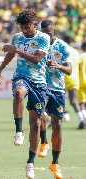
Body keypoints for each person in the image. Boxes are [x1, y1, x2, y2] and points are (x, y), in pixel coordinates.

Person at [0, 9, 50, 179]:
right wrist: (0, 70)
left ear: (34, 24)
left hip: (39, 82)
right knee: (18, 93)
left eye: (26, 27)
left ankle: (30, 164)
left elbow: (36, 59)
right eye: (22, 28)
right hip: (22, 77)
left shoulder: (43, 38)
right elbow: (10, 54)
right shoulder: (17, 37)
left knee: (36, 125)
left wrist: (16, 51)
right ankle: (19, 131)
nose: (24, 31)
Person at [41, 20, 72, 179]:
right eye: (43, 32)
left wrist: (57, 65)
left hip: (57, 89)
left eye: (49, 32)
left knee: (57, 125)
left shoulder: (63, 47)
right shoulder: (37, 44)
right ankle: (44, 142)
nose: (46, 35)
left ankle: (55, 162)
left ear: (53, 31)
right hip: (40, 85)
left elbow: (69, 70)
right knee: (39, 115)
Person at [63, 36, 84, 129]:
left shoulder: (62, 50)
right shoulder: (76, 52)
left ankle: (54, 120)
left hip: (63, 79)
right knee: (73, 101)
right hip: (74, 79)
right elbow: (80, 67)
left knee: (56, 101)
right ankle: (82, 119)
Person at [78, 43, 86, 124]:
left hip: (82, 81)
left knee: (82, 102)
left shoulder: (81, 56)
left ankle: (84, 119)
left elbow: (79, 67)